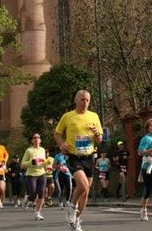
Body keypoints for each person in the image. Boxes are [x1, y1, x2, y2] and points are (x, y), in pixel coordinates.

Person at [54, 89, 103, 231]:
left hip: (89, 157)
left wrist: (97, 134)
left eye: (87, 100)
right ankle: (71, 207)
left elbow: (99, 139)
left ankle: (76, 221)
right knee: (83, 186)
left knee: (86, 192)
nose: (85, 102)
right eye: (82, 99)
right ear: (75, 100)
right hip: (74, 156)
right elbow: (57, 134)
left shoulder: (94, 116)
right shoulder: (68, 116)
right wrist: (62, 144)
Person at [21, 133, 48, 220]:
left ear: (40, 140)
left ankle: (37, 213)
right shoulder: (29, 150)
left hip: (42, 174)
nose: (36, 139)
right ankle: (28, 199)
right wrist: (31, 162)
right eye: (34, 138)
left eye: (38, 137)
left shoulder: (43, 150)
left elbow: (44, 162)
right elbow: (22, 165)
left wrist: (48, 167)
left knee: (41, 193)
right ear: (32, 140)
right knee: (33, 193)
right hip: (31, 175)